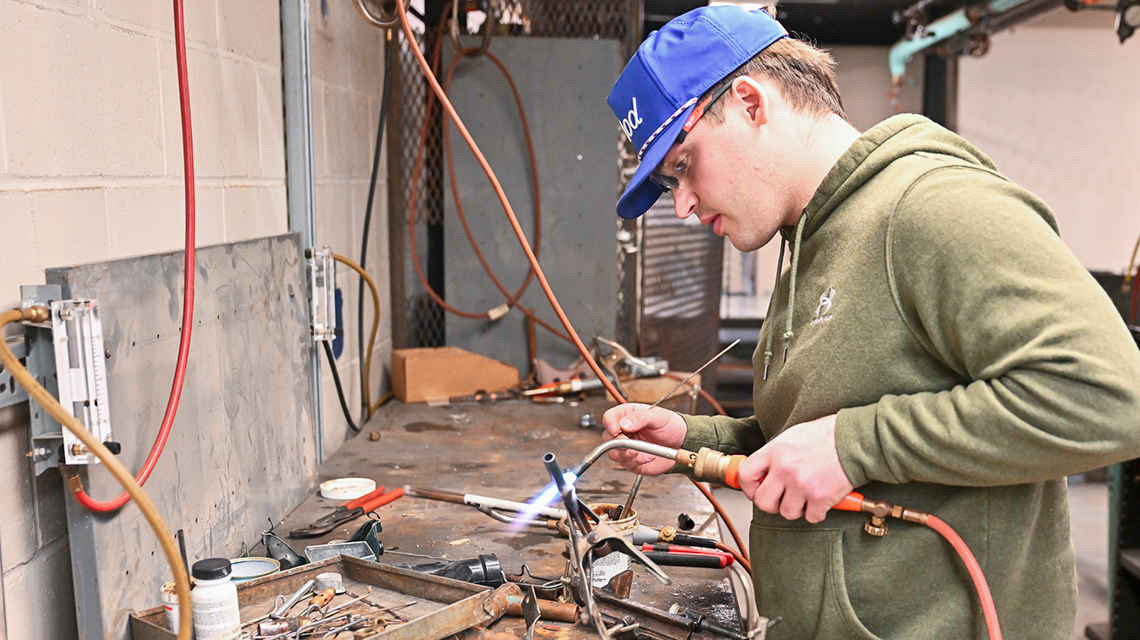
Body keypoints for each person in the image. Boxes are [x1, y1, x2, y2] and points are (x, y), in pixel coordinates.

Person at [602, 5, 1140, 640]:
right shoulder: (808, 237)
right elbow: (818, 427)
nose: (684, 204)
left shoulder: (930, 206)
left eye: (683, 164)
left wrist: (853, 444)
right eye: (668, 185)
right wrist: (696, 441)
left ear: (750, 102)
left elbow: (1113, 398)